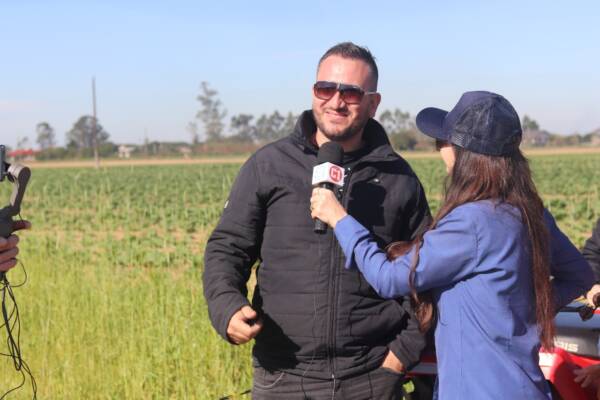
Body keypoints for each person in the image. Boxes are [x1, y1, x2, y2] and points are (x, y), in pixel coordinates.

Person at [310, 91, 593, 399]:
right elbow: (579, 275)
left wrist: (340, 219)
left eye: (442, 141)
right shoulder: (530, 212)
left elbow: (388, 278)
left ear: (465, 154)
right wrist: (526, 310)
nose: (439, 148)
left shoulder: (472, 222)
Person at [203, 42, 431, 399]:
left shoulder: (398, 178)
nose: (336, 102)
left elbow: (425, 275)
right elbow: (227, 248)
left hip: (371, 376)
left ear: (373, 103)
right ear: (313, 91)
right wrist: (226, 308)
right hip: (283, 375)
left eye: (351, 93)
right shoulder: (269, 165)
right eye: (326, 89)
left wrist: (400, 356)